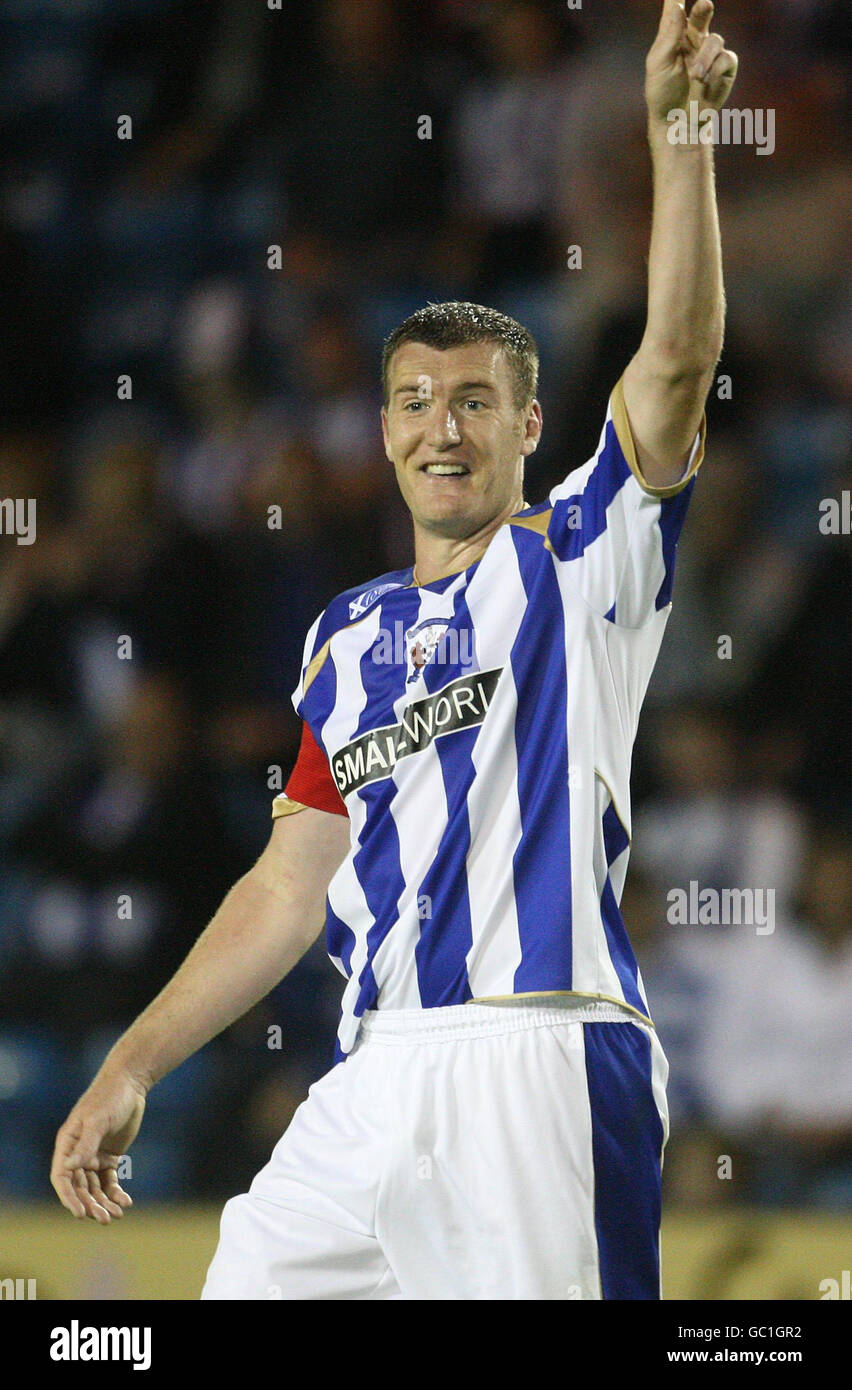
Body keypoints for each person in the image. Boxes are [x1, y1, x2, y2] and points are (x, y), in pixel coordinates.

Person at [51, 0, 739, 1299]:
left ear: (530, 424)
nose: (445, 427)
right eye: (416, 401)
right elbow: (285, 885)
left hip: (537, 1050)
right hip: (371, 1080)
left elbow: (680, 359)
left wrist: (683, 139)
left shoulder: (582, 555)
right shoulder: (342, 636)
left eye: (477, 400)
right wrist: (131, 1061)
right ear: (380, 432)